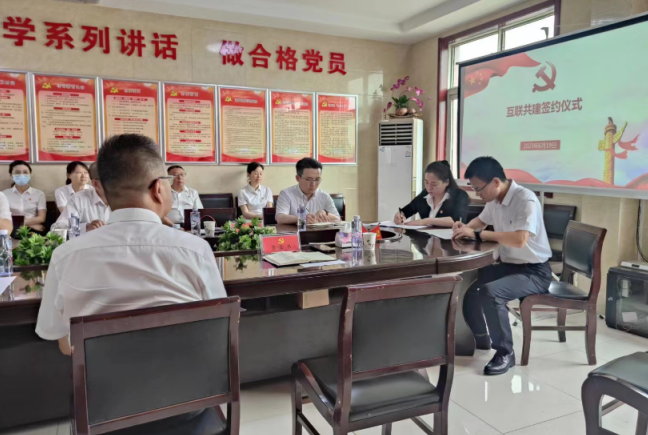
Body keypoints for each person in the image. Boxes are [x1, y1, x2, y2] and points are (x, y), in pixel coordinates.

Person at [36, 134, 227, 357]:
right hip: (186, 374)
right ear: (158, 188)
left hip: (102, 378)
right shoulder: (195, 250)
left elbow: (65, 344)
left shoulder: (65, 255)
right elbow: (220, 325)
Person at [453, 156, 552, 376]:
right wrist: (465, 229)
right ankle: (480, 339)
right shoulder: (494, 200)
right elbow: (480, 221)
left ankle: (505, 353)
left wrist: (478, 234)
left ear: (495, 182)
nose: (477, 194)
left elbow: (520, 239)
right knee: (469, 286)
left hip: (535, 272)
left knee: (491, 293)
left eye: (478, 189)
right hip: (509, 266)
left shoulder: (525, 200)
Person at [394, 161, 469, 227]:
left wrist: (425, 221)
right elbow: (407, 210)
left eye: (434, 184)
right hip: (426, 238)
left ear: (446, 182)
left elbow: (457, 221)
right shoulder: (425, 194)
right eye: (426, 182)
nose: (429, 188)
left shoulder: (460, 196)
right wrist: (399, 216)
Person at [276, 158, 340, 224]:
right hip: (295, 230)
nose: (313, 184)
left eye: (317, 179)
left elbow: (338, 219)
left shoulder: (324, 196)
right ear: (298, 178)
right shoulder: (286, 194)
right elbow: (280, 218)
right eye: (309, 179)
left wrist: (325, 213)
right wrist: (302, 218)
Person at [51, 163, 110, 233]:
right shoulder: (77, 200)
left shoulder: (122, 201)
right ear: (96, 183)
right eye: (113, 180)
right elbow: (58, 228)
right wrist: (85, 228)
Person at [3, 160, 46, 233]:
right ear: (11, 175)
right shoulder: (4, 194)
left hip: (33, 231)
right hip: (12, 229)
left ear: (30, 175)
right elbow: (2, 218)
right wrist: (28, 225)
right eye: (17, 172)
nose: (21, 175)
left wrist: (22, 224)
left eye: (25, 172)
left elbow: (41, 218)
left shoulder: (39, 194)